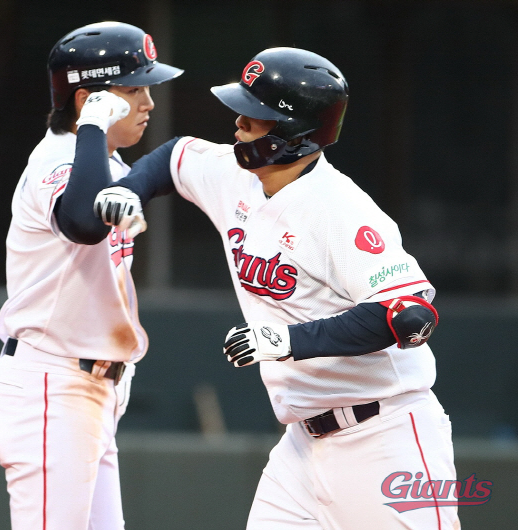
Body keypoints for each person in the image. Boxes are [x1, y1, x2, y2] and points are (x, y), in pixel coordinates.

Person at [94, 47, 460, 529]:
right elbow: (175, 155)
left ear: (294, 133)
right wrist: (129, 188)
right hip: (302, 447)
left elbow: (409, 315)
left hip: (386, 435)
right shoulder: (238, 176)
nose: (239, 122)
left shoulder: (339, 209)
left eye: (255, 115)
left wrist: (287, 340)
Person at [0, 21, 182, 530]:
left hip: (90, 391)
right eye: (133, 89)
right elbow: (83, 223)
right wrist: (92, 125)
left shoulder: (107, 164)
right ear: (87, 100)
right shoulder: (56, 159)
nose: (148, 102)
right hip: (52, 387)